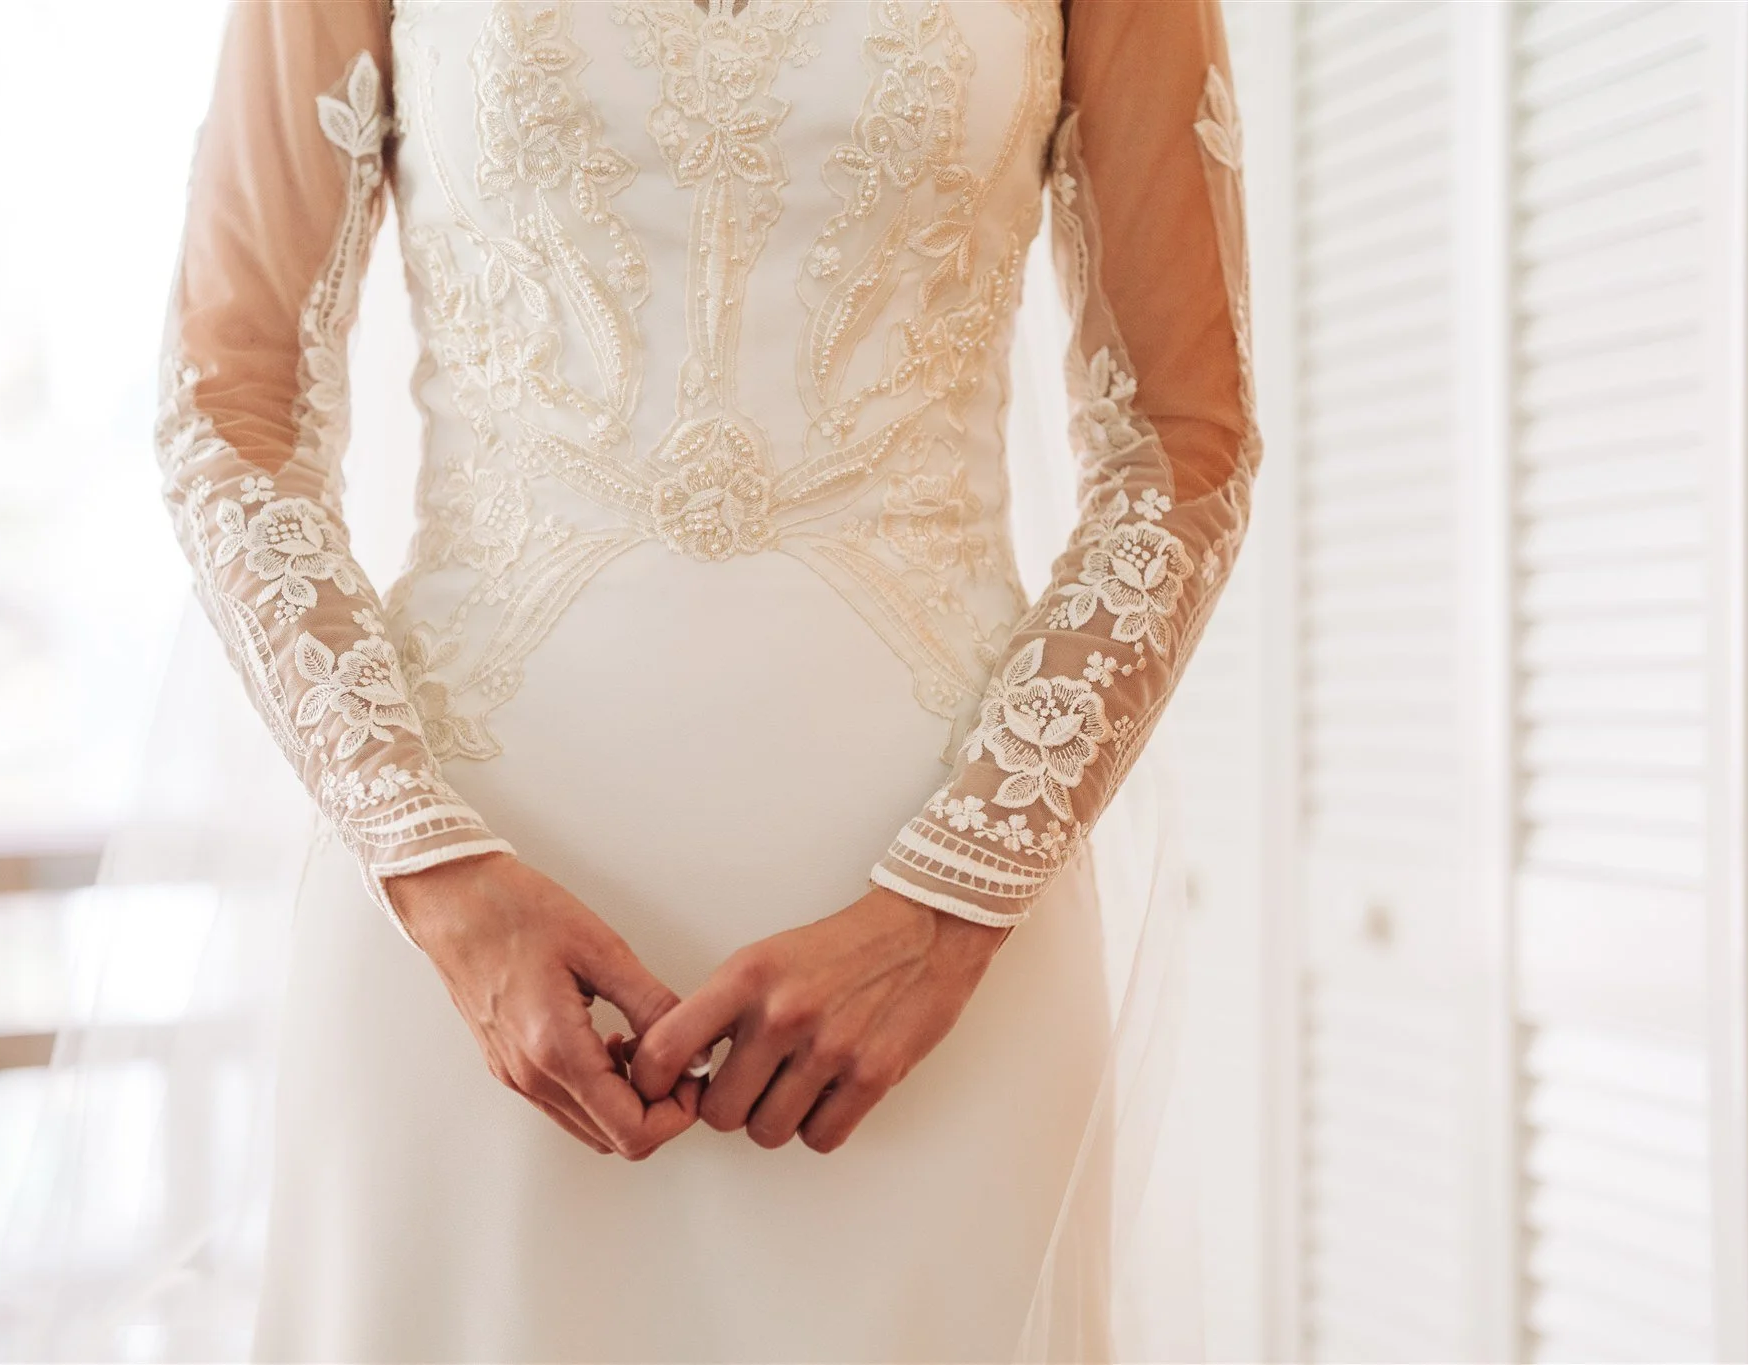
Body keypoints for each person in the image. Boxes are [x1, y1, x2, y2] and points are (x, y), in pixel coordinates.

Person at [128, 0, 1257, 1358]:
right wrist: (431, 871)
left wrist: (952, 904)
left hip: (940, 951)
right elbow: (231, 414)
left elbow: (1182, 448)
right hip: (469, 930)